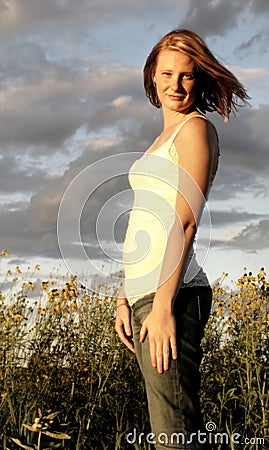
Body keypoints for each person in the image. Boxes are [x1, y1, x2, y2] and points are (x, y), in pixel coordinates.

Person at [115, 29, 249, 449]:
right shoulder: (160, 141)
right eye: (168, 73)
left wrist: (163, 305)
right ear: (152, 76)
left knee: (174, 435)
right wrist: (124, 295)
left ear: (200, 79)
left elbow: (184, 221)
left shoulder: (194, 130)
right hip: (146, 297)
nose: (176, 84)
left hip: (173, 294)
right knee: (167, 428)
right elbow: (144, 223)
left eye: (187, 75)